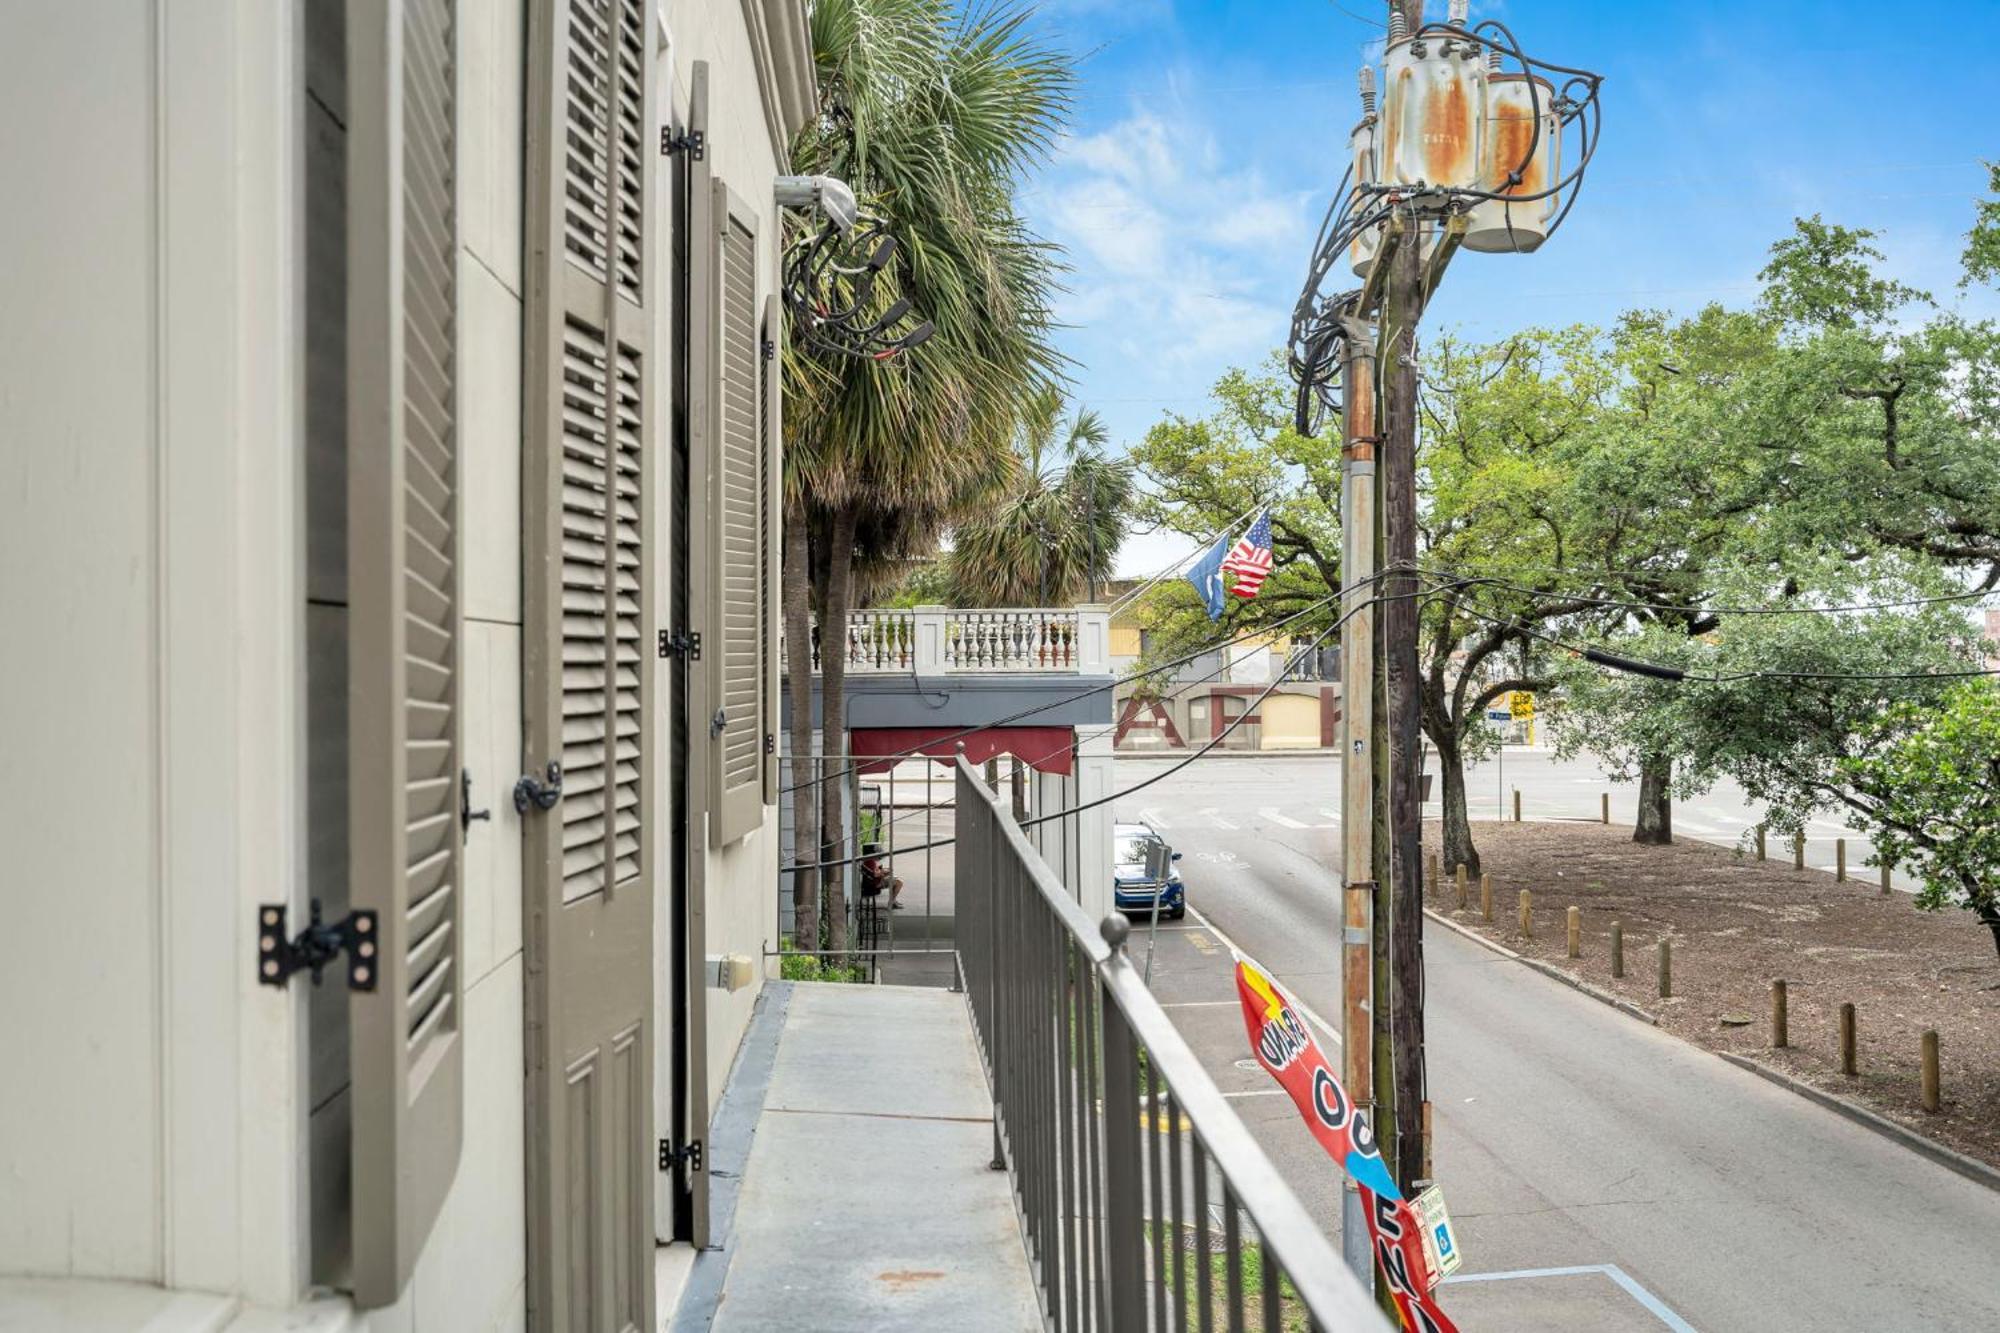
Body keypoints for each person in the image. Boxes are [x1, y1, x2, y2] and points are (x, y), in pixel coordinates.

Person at [858, 842, 904, 909]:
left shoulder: (867, 860)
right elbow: (875, 874)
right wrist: (883, 872)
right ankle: (891, 903)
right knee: (899, 882)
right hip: (877, 883)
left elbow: (874, 871)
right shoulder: (870, 861)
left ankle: (893, 901)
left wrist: (883, 870)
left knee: (894, 880)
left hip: (874, 881)